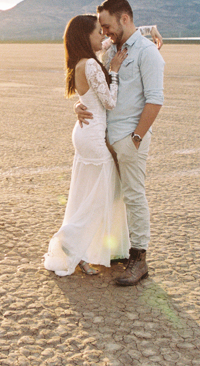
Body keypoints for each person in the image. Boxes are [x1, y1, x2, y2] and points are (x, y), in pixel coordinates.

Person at [75, 0, 165, 286]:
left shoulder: (148, 53)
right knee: (111, 194)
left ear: (124, 19)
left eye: (108, 26)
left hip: (129, 138)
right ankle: (115, 250)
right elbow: (92, 84)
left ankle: (139, 260)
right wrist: (77, 105)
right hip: (104, 139)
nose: (105, 32)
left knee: (134, 195)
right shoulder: (111, 48)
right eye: (101, 28)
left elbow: (155, 100)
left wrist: (136, 138)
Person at [43, 14, 130, 276]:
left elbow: (110, 42)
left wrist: (153, 32)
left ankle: (84, 251)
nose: (103, 36)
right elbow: (109, 102)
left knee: (88, 193)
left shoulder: (82, 61)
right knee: (101, 194)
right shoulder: (91, 65)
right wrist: (113, 71)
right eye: (97, 32)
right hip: (92, 137)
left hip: (85, 132)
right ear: (85, 36)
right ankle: (68, 245)